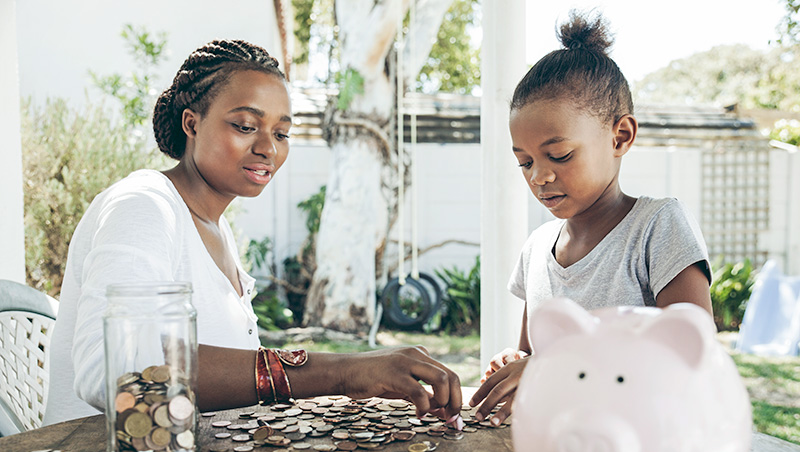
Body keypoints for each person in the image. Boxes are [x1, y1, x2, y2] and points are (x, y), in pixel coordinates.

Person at [44, 40, 462, 426]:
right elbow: (114, 371)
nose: (269, 148)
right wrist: (343, 371)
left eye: (281, 133)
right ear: (192, 123)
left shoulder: (216, 226)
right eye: (246, 126)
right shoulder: (143, 205)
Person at [469, 12, 713, 427]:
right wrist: (517, 363)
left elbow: (693, 354)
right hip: (557, 448)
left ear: (620, 136)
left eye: (559, 155)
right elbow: (534, 354)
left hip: (642, 450)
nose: (539, 176)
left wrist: (552, 368)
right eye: (524, 162)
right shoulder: (536, 249)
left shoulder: (656, 227)